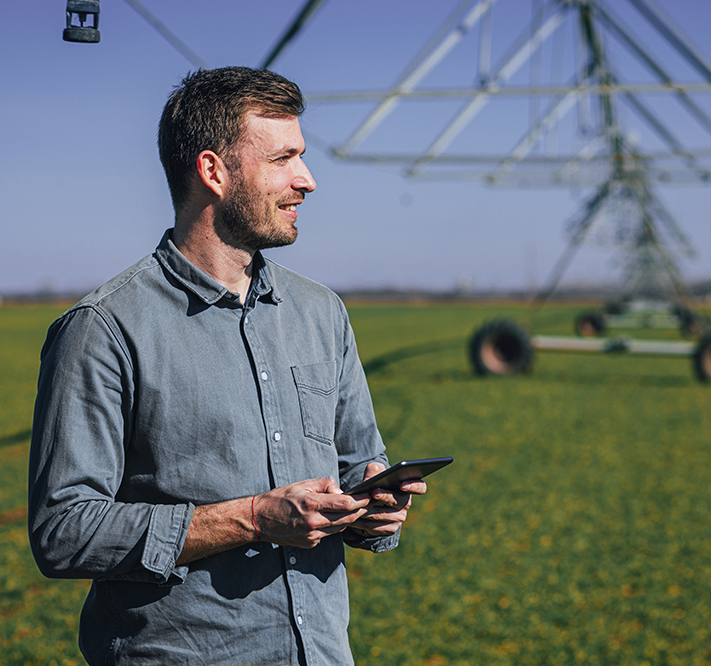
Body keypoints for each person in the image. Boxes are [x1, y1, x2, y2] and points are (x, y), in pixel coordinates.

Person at [28, 66, 426, 666]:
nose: (308, 180)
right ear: (214, 172)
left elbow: (356, 467)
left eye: (303, 156)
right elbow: (65, 533)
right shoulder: (104, 330)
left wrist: (373, 511)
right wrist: (255, 519)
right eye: (283, 158)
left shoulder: (322, 312)